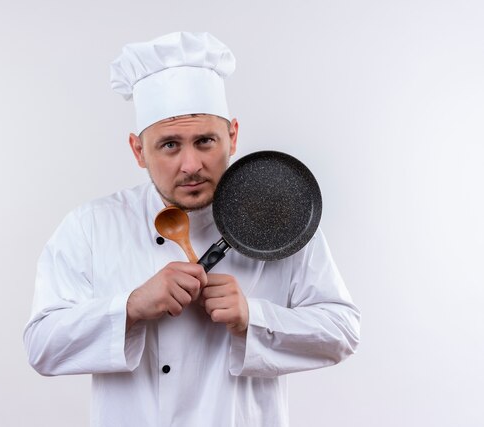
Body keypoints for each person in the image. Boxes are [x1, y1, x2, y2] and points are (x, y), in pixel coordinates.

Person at [24, 31, 360, 427]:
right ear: (138, 150)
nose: (190, 165)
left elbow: (342, 331)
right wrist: (129, 308)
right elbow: (42, 346)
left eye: (205, 141)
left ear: (232, 137)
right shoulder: (92, 226)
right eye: (169, 145)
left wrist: (254, 317)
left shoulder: (278, 219)